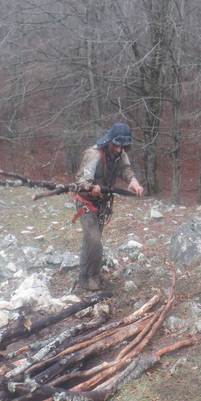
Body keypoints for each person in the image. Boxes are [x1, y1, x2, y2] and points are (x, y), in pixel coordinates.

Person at [74, 123, 144, 291]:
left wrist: (133, 181)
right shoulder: (93, 155)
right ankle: (91, 276)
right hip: (86, 203)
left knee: (92, 239)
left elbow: (126, 169)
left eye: (122, 146)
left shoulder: (120, 154)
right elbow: (80, 181)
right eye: (116, 145)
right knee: (94, 240)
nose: (119, 150)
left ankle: (85, 273)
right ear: (110, 141)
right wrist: (90, 188)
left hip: (102, 204)